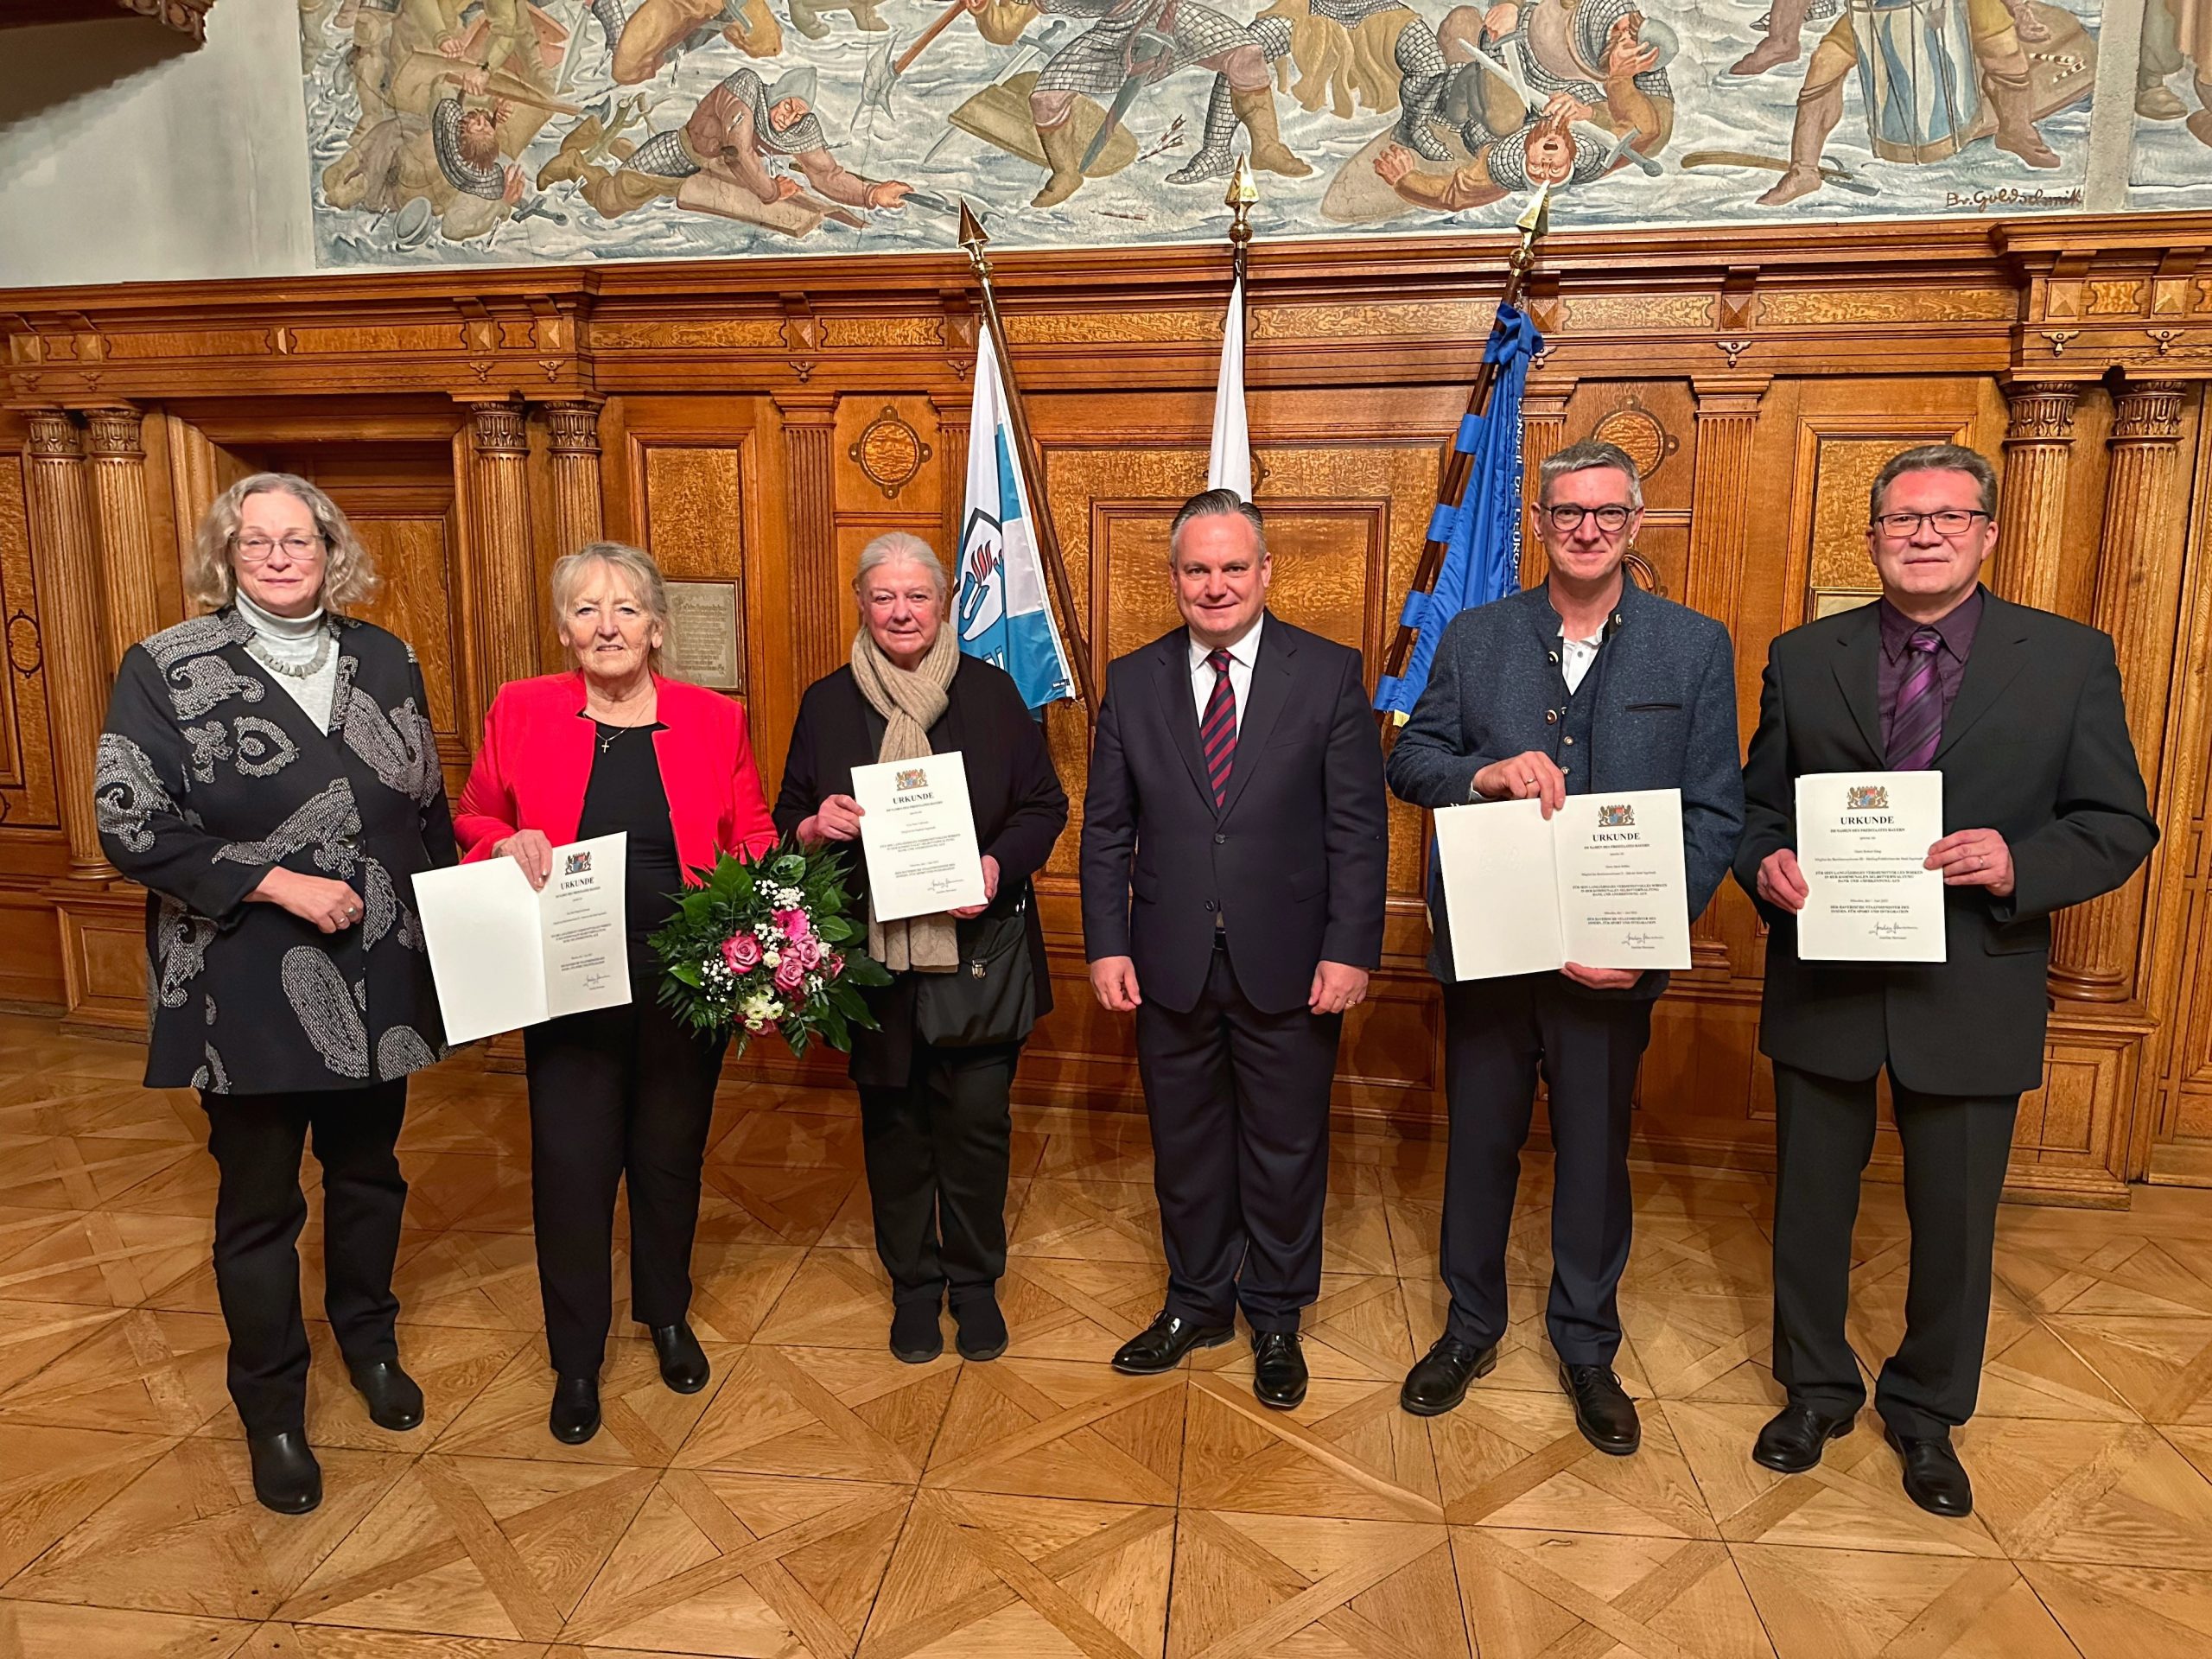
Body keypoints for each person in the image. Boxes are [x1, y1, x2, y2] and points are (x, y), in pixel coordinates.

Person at [1736, 443, 2157, 1518]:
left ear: (1987, 533)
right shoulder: (1803, 652)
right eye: (1902, 518)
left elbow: (2116, 823)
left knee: (1956, 1219)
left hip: (1975, 979)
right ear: (1873, 535)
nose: (1923, 533)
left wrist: (2021, 864)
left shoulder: (2067, 659)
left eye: (1948, 517)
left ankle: (1926, 1414)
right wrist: (1764, 864)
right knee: (1810, 1208)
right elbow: (1756, 810)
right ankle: (1814, 1389)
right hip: (1827, 974)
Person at [94, 474, 454, 1516]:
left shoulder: (384, 655)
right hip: (241, 978)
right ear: (228, 555)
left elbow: (423, 803)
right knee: (259, 1209)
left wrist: (456, 943)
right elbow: (132, 822)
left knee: (370, 1176)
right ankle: (273, 1410)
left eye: (300, 540)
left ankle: (370, 1346)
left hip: (380, 974)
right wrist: (277, 880)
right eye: (259, 542)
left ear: (332, 550)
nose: (282, 556)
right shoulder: (166, 665)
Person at [1385, 439, 1743, 1452]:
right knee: (1479, 1148)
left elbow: (1715, 810)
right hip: (1494, 950)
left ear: (1634, 525)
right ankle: (1468, 1328)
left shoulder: (1693, 645)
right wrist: (1484, 776)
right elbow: (1410, 759)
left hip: (1611, 960)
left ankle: (1586, 1346)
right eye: (1566, 513)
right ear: (1538, 523)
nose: (1585, 529)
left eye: (1606, 514)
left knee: (1594, 1155)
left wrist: (1650, 932)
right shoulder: (1474, 633)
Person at [454, 542, 778, 1445]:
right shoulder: (522, 710)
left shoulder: (716, 718)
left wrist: (755, 904)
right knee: (573, 1168)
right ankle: (577, 1360)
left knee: (669, 1157)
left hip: (685, 980)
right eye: (587, 610)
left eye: (626, 608)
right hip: (568, 981)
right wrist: (499, 844)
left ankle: (666, 1316)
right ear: (564, 631)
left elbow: (749, 828)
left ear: (658, 629)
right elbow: (474, 812)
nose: (607, 625)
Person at [1080, 489, 1388, 1410]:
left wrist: (1350, 950)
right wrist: (1105, 945)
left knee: (1287, 1148)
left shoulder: (1328, 673)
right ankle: (1197, 1300)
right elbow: (1105, 832)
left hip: (1293, 963)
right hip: (1166, 956)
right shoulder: (1132, 681)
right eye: (1196, 569)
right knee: (1185, 1146)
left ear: (1265, 573)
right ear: (1174, 579)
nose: (1214, 586)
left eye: (1232, 567)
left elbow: (1357, 829)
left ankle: (1279, 1316)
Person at [774, 533, 1068, 1363]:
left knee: (977, 1131)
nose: (901, 612)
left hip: (980, 955)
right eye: (883, 597)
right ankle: (914, 1287)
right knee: (895, 1134)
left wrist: (994, 862)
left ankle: (974, 1285)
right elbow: (786, 810)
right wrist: (811, 824)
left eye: (918, 597)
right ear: (861, 604)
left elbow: (1045, 807)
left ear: (943, 605)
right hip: (870, 965)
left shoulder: (994, 693)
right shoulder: (828, 701)